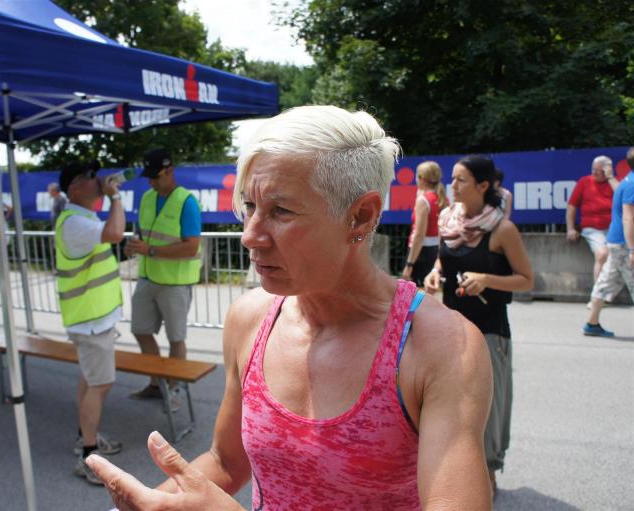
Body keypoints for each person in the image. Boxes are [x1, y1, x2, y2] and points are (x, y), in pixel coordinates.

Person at [88, 106, 495, 510]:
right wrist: (147, 504)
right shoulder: (250, 320)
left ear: (360, 216)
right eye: (249, 206)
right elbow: (226, 461)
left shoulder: (439, 346)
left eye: (280, 211)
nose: (250, 236)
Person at [424, 154, 534, 495]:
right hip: (450, 329)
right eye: (452, 178)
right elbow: (442, 261)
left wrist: (487, 279)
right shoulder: (448, 219)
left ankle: (488, 472)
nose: (452, 185)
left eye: (461, 180)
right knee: (449, 404)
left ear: (483, 185)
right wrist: (434, 274)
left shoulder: (502, 229)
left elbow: (527, 279)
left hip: (489, 330)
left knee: (489, 407)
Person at [55, 159, 127, 485]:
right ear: (73, 187)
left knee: (90, 379)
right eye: (90, 176)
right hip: (91, 320)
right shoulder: (74, 223)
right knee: (100, 384)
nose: (97, 180)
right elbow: (115, 233)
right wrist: (115, 197)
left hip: (91, 318)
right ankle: (88, 456)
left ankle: (85, 437)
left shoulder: (80, 218)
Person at [124, 148, 202, 401]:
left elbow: (191, 247)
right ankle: (157, 384)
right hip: (147, 278)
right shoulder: (147, 197)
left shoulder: (187, 202)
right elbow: (143, 235)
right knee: (140, 330)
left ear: (170, 171)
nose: (151, 182)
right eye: (148, 177)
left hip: (175, 283)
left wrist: (150, 250)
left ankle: (174, 389)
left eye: (155, 176)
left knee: (176, 339)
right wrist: (133, 246)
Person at [583, 147, 634, 337]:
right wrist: (632, 248)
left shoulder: (626, 181)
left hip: (617, 241)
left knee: (605, 283)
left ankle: (592, 324)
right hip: (624, 243)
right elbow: (628, 217)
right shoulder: (632, 184)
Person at [566, 156, 619, 282]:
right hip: (592, 228)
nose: (594, 173)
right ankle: (598, 291)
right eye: (593, 169)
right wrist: (570, 228)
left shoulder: (615, 183)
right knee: (602, 254)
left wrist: (611, 178)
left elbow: (622, 197)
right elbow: (571, 206)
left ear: (607, 170)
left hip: (614, 228)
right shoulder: (584, 182)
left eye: (598, 170)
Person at [401, 160, 448, 285]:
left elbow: (419, 235)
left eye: (417, 176)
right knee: (430, 291)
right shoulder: (443, 198)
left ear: (421, 179)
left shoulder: (423, 200)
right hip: (436, 251)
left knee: (415, 292)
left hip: (421, 253)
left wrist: (409, 265)